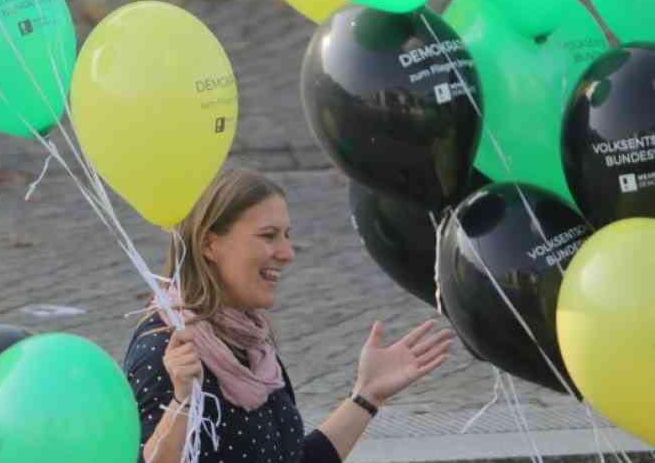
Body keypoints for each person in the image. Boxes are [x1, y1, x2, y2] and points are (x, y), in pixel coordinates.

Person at [123, 166, 455, 463]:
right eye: (268, 236)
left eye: (287, 236)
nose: (287, 253)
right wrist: (182, 399)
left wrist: (367, 395)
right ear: (210, 245)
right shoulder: (165, 351)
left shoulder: (250, 342)